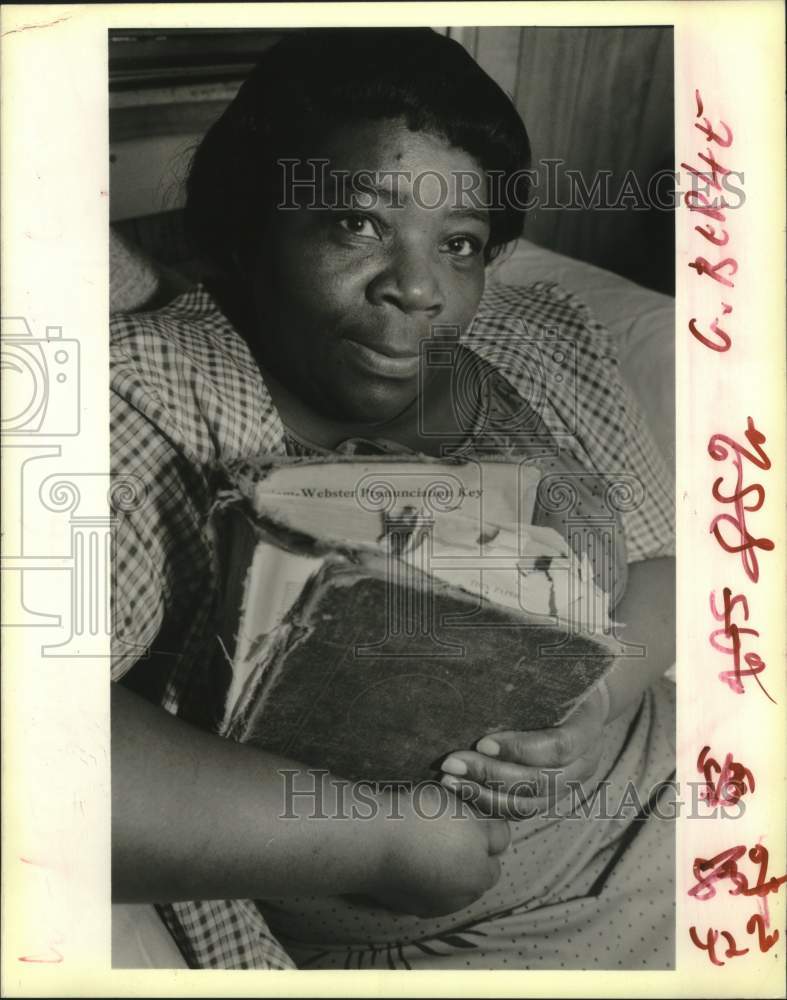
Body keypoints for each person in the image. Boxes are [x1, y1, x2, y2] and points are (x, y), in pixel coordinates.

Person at [110, 27, 676, 970]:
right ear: (249, 223)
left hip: (693, 807)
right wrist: (385, 838)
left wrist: (596, 701)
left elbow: (664, 568)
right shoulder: (154, 394)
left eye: (459, 244)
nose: (418, 289)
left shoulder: (539, 340)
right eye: (358, 223)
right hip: (481, 938)